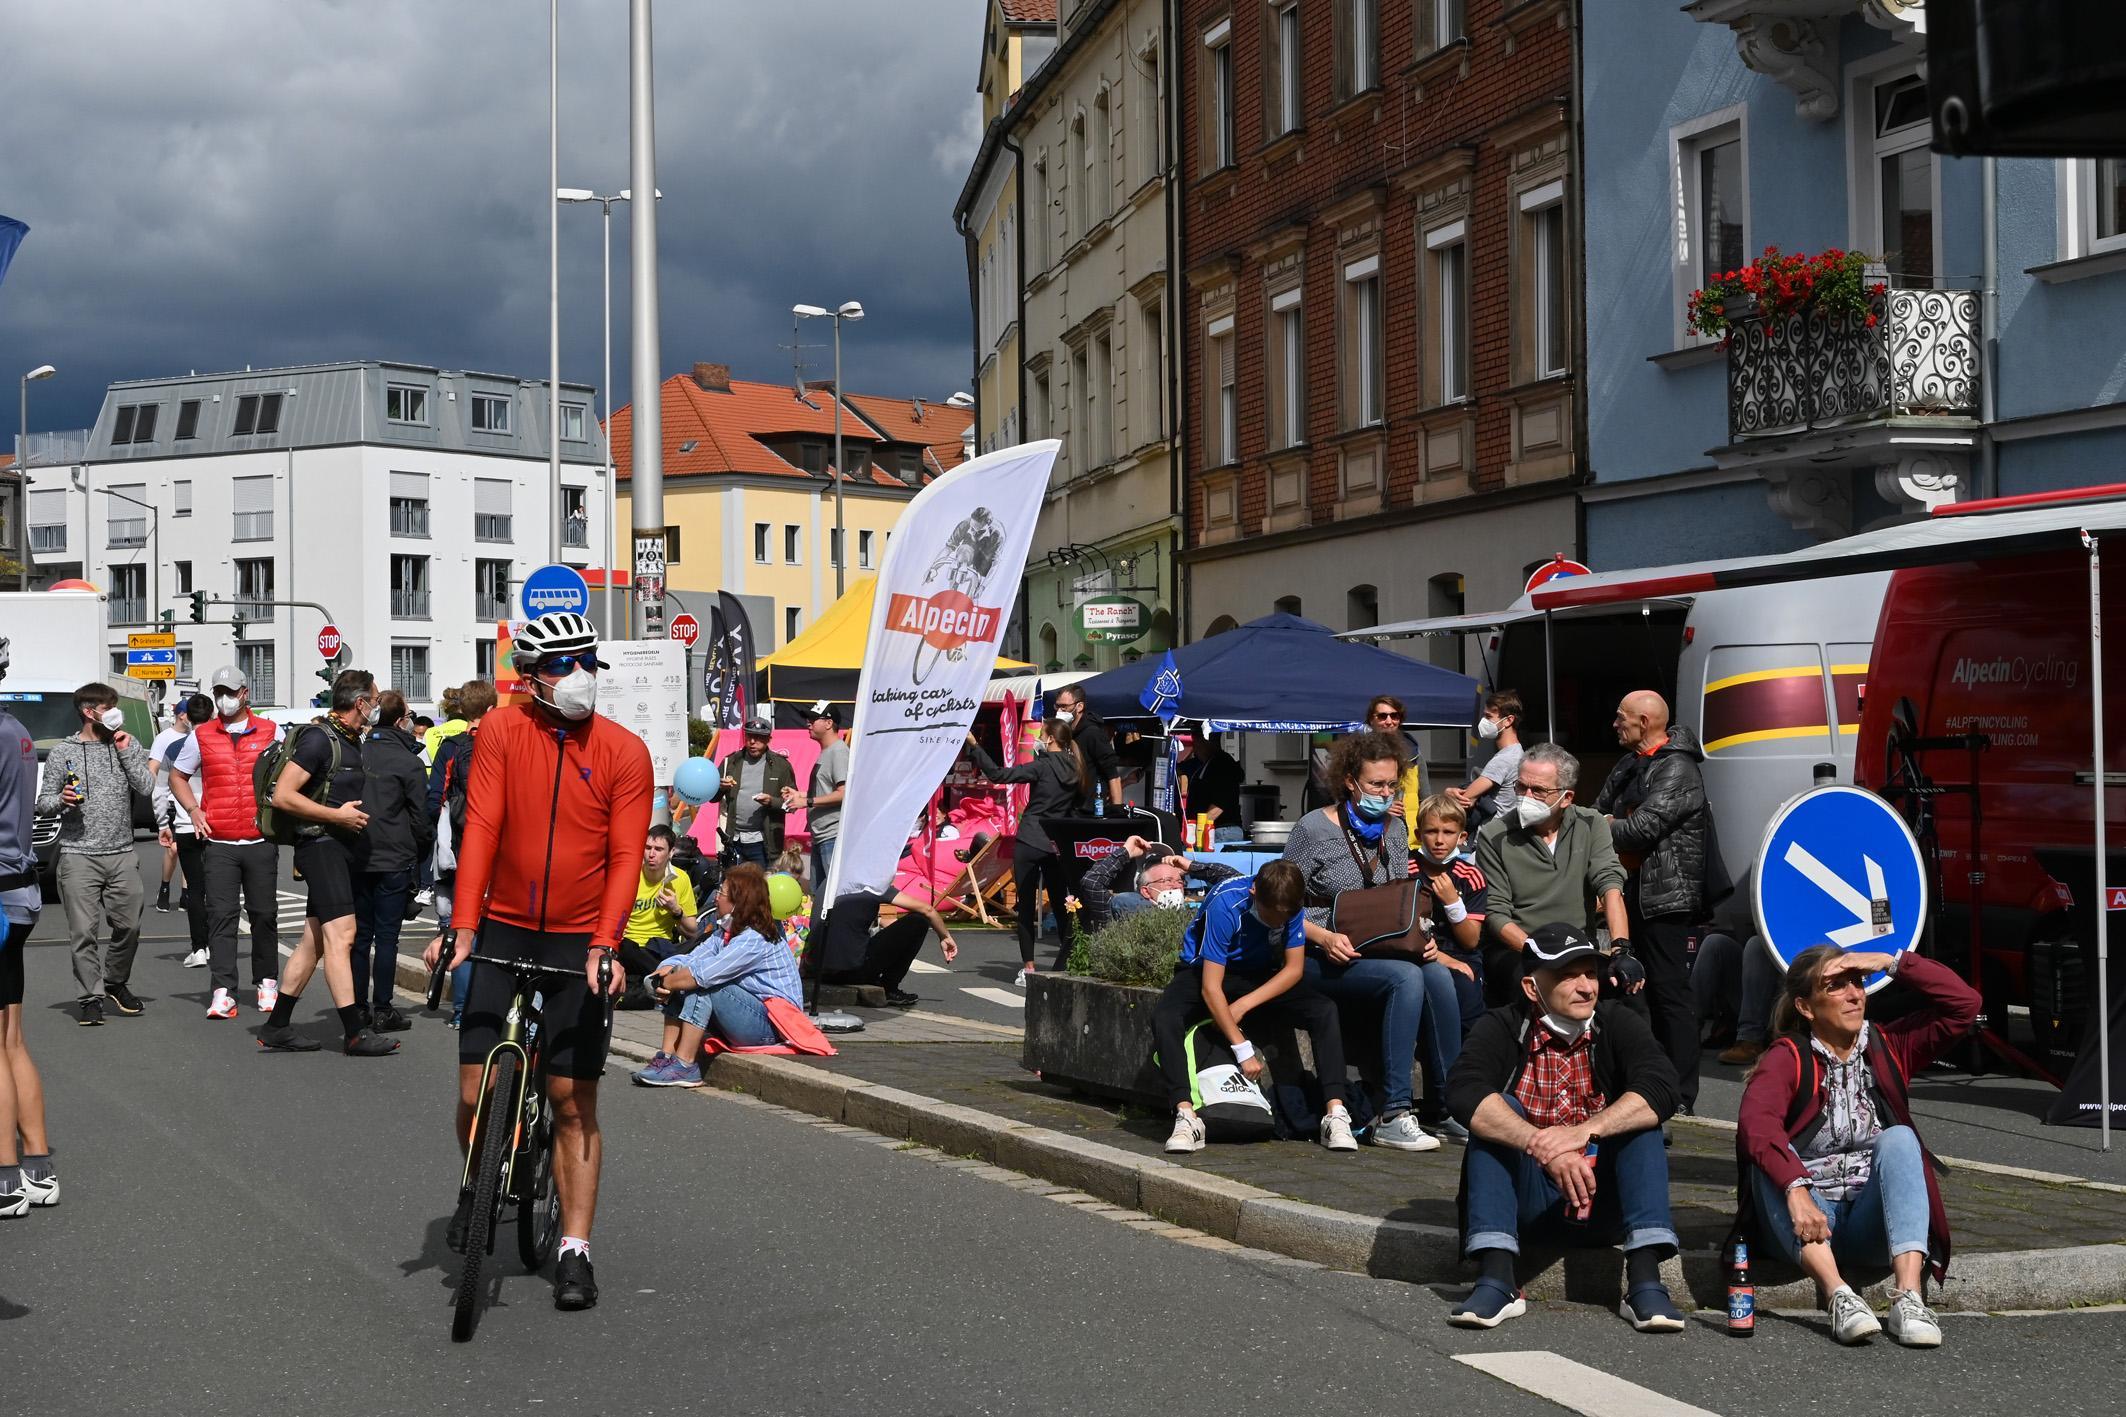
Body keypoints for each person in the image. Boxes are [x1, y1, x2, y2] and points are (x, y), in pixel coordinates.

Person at [428, 610, 652, 1311]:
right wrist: (463, 926)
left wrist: (607, 942)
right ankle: (478, 1179)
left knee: (571, 1100)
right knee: (473, 1088)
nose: (578, 674)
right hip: (504, 926)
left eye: (585, 658)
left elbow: (624, 856)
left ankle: (575, 1248)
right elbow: (485, 826)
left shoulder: (625, 750)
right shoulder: (498, 731)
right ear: (529, 677)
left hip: (580, 937)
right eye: (560, 664)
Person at [1444, 922, 1686, 1332]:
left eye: (1590, 973)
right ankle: (1497, 1279)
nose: (1585, 987)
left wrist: (1583, 1132)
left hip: (1603, 1201)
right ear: (1531, 987)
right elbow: (1464, 1092)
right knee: (1496, 1112)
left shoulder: (1618, 1022)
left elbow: (1663, 1086)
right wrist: (1541, 1145)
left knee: (1640, 1117)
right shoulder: (1501, 1026)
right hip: (1529, 1201)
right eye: (1567, 975)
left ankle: (1645, 1283)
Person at [1737, 945, 1977, 1348]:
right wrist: (1796, 1189)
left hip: (1873, 1224)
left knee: (1900, 1138)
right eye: (1836, 986)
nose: (1854, 994)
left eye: (1857, 982)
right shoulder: (1788, 1056)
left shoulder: (1888, 1046)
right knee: (1774, 1155)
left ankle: (1908, 1299)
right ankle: (1839, 1296)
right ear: (1806, 1007)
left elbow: (1964, 1005)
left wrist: (1891, 963)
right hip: (1806, 1224)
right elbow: (1755, 1125)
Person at [1283, 731, 1459, 1151]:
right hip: (1316, 955)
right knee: (1406, 979)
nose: (1385, 793)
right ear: (1349, 781)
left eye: (1391, 785)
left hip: (1379, 948)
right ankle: (1395, 1113)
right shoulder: (1312, 829)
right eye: (1376, 785)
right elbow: (1279, 907)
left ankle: (1449, 1106)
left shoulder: (1394, 830)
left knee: (1438, 976)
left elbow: (1401, 898)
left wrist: (1424, 939)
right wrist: (1324, 937)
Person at [1152, 861, 1356, 1155]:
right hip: (1204, 971)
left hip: (1257, 973)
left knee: (1323, 1010)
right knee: (1165, 1016)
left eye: (1282, 920)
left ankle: (1335, 1113)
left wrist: (1245, 1004)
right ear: (1254, 891)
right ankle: (1185, 1115)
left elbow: (1293, 970)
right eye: (1268, 916)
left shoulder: (1291, 906)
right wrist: (1242, 1049)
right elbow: (1211, 987)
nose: (1275, 923)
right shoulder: (1226, 904)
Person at [255, 669, 397, 1056]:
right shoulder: (320, 739)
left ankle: (277, 1025)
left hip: (338, 849)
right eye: (375, 698)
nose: (378, 705)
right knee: (343, 937)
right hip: (321, 848)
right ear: (359, 703)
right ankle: (354, 1032)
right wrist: (337, 817)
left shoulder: (352, 740)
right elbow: (282, 795)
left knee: (313, 942)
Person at [1595, 691, 1723, 1114]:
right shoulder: (1629, 763)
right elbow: (1598, 815)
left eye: (1621, 717)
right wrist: (1608, 824)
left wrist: (1609, 825)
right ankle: (1639, 1083)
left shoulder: (1678, 767)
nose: (1615, 723)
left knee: (1668, 992)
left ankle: (1682, 1094)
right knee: (1628, 989)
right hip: (1628, 890)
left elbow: (1643, 827)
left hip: (1666, 896)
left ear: (1646, 720)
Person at [1474, 743, 1634, 1007]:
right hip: (1519, 949)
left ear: (1567, 797)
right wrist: (1541, 953)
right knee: (1530, 987)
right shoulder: (1495, 835)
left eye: (1538, 790)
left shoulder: (1591, 823)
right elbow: (1496, 914)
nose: (1526, 797)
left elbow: (1611, 887)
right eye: (1521, 787)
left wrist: (1621, 950)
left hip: (1578, 947)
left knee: (1626, 988)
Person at [168, 665, 285, 1021]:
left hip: (259, 838)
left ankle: (267, 981)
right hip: (218, 841)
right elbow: (177, 776)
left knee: (264, 914)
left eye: (230, 692)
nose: (223, 698)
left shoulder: (270, 731)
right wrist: (193, 810)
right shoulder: (201, 735)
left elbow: (291, 773)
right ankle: (223, 991)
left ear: (245, 694)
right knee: (221, 916)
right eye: (219, 691)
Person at [37, 682, 154, 1025]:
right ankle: (90, 995)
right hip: (77, 855)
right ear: (90, 712)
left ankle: (116, 981)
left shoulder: (127, 745)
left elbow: (146, 787)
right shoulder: (63, 752)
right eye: (108, 707)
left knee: (129, 926)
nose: (114, 712)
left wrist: (126, 751)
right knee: (84, 932)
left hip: (121, 852)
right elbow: (44, 803)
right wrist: (62, 800)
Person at [634, 865, 802, 1087]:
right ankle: (666, 1057)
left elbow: (704, 975)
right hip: (748, 1014)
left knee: (702, 984)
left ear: (738, 902)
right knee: (683, 976)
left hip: (773, 1026)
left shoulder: (755, 938)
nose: (716, 898)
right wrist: (662, 971)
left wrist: (665, 982)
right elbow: (692, 958)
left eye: (721, 893)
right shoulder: (728, 930)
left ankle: (685, 1065)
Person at [964, 716, 1093, 985]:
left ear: (1050, 739)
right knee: (1060, 902)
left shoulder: (1042, 766)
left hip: (1030, 838)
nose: (1038, 739)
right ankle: (1066, 960)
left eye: (1042, 734)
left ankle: (1030, 967)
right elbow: (1080, 808)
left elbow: (999, 774)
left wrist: (975, 746)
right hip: (1055, 843)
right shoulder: (1076, 768)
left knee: (1025, 905)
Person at [0, 639, 58, 1213]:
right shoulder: (15, 728)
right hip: (18, 892)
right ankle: (36, 1165)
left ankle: (5, 1176)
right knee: (11, 1037)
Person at [348, 690, 433, 1034]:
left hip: (357, 853)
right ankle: (383, 1008)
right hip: (395, 857)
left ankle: (356, 1006)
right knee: (387, 937)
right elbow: (420, 818)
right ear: (401, 721)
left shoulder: (356, 752)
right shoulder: (409, 761)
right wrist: (420, 855)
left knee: (359, 937)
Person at [1414, 794, 1487, 1039]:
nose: (1439, 840)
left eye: (1448, 832)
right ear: (1418, 835)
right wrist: (1444, 960)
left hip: (1460, 952)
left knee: (1468, 1002)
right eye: (1431, 831)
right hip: (1417, 951)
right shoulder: (1406, 870)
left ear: (1462, 837)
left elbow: (1470, 941)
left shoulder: (1470, 876)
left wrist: (1453, 903)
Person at [810, 887, 958, 1006]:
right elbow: (928, 910)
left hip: (819, 969)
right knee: (918, 921)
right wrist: (945, 936)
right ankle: (890, 987)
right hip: (851, 971)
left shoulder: (830, 881)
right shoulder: (873, 885)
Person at [1075, 834, 1240, 932]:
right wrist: (1125, 852)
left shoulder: (1194, 916)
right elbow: (1091, 882)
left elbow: (1237, 882)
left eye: (1180, 881)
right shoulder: (1119, 912)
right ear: (1146, 891)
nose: (1176, 886)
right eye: (1167, 881)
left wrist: (1192, 866)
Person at [154, 693, 213, 968]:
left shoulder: (176, 748)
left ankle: (199, 948)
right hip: (217, 825)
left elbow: (160, 789)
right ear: (212, 715)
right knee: (219, 889)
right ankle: (217, 944)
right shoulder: (219, 745)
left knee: (196, 889)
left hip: (187, 825)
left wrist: (162, 823)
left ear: (187, 717)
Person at [617, 824, 703, 1000]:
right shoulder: (629, 875)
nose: (651, 854)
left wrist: (676, 910)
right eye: (648, 848)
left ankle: (662, 977)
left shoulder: (680, 879)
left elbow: (692, 931)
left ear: (670, 853)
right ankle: (667, 978)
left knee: (704, 940)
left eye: (658, 849)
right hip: (628, 944)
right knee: (628, 947)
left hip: (659, 947)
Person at [782, 702, 848, 895]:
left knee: (833, 896)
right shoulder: (827, 752)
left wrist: (807, 802)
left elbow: (844, 793)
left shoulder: (839, 752)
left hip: (832, 835)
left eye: (812, 719)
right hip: (821, 836)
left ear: (828, 723)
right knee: (818, 896)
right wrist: (798, 795)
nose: (807, 723)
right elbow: (825, 790)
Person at [716, 714, 795, 867]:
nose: (752, 742)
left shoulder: (781, 766)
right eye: (749, 736)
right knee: (735, 887)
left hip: (764, 842)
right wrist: (720, 787)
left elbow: (792, 803)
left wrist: (772, 802)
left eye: (758, 738)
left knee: (763, 887)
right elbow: (712, 797)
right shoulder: (730, 761)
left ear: (768, 740)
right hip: (734, 839)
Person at [149, 697, 200, 914]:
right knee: (174, 850)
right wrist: (157, 797)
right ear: (182, 715)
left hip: (189, 801)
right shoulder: (164, 739)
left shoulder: (196, 737)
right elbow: (154, 769)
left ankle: (186, 895)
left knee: (187, 848)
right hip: (171, 800)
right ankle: (165, 885)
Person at [1448, 690, 1523, 830]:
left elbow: (1464, 800)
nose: (1483, 722)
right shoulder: (1518, 753)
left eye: (1489, 717)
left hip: (1489, 838)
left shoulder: (1504, 759)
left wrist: (1448, 793)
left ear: (1509, 720)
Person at [1363, 695, 1426, 853]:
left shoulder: (1415, 754)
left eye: (1394, 716)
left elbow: (1426, 799)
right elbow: (1345, 800)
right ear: (1372, 720)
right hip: (1372, 838)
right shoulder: (1360, 753)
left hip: (1411, 842)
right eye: (1383, 716)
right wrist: (1381, 807)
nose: (1389, 721)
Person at [1051, 682, 1124, 810]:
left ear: (1079, 707)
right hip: (1068, 808)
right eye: (1057, 706)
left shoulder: (1092, 733)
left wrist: (1117, 813)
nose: (1059, 711)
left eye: (1064, 707)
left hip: (1091, 809)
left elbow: (1113, 776)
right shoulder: (1063, 733)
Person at [1176, 731, 1243, 842]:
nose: (1195, 747)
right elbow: (1181, 768)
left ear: (1207, 742)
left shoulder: (1222, 764)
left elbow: (1219, 804)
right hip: (1215, 830)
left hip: (1221, 831)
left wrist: (1199, 831)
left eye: (1197, 742)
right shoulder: (1206, 763)